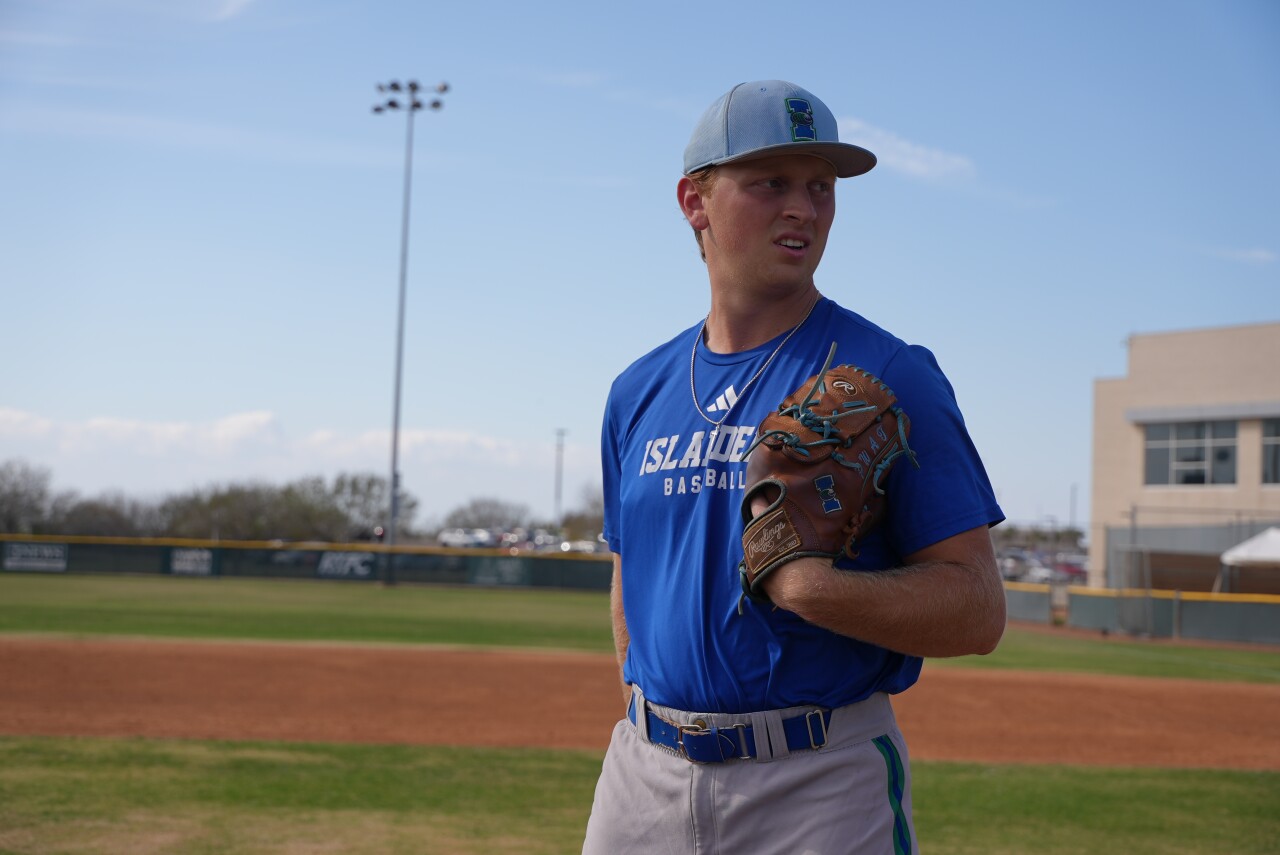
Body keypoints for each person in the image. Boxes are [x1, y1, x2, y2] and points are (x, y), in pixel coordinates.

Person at [582, 80, 1006, 855]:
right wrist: (658, 720)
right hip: (642, 778)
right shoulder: (636, 391)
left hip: (817, 782)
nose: (805, 209)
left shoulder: (888, 375)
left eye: (820, 186)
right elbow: (629, 579)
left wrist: (817, 589)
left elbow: (978, 607)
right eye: (771, 182)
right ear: (694, 201)